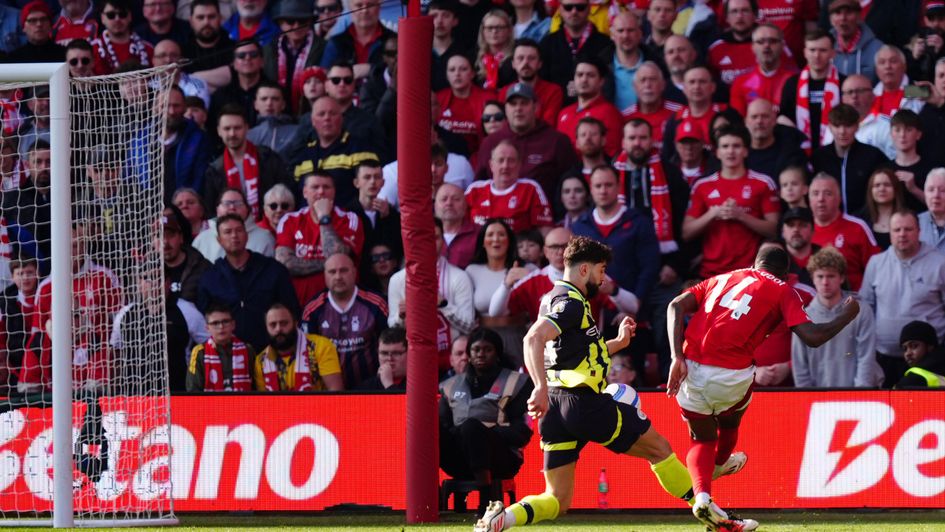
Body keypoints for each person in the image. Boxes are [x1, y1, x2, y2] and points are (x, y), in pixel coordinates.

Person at [475, 236, 698, 532]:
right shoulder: (571, 304)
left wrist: (618, 343)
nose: (603, 279)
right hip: (582, 401)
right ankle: (709, 508)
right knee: (659, 449)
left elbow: (577, 354)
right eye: (601, 270)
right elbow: (533, 338)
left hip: (556, 408)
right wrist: (538, 386)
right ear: (584, 270)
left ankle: (503, 519)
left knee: (557, 499)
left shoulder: (553, 299)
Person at [666, 245, 861, 531]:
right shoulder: (783, 290)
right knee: (730, 420)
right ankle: (720, 463)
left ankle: (703, 497)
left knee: (701, 438)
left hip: (689, 366)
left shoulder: (722, 278)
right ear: (786, 274)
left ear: (755, 264)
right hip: (730, 374)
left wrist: (676, 357)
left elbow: (675, 305)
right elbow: (813, 337)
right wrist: (847, 315)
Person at [440, 327, 533, 506]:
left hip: (502, 459)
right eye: (476, 350)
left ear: (497, 354)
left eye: (487, 349)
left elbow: (522, 433)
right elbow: (444, 426)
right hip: (460, 459)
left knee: (471, 427)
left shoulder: (518, 383)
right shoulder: (449, 386)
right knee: (428, 431)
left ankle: (486, 500)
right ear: (469, 354)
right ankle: (430, 497)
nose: (481, 354)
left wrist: (482, 432)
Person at [859, 210, 945, 387]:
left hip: (928, 362)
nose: (902, 234)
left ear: (919, 231)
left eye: (908, 229)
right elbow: (865, 310)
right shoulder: (876, 263)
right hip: (884, 358)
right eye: (897, 230)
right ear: (889, 233)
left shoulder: (940, 263)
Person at [683, 125, 780, 279]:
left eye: (736, 146)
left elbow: (775, 229)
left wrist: (741, 215)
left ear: (745, 151)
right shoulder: (702, 185)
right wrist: (712, 214)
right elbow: (686, 233)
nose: (730, 151)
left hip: (750, 272)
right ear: (717, 152)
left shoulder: (763, 183)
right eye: (725, 146)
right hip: (711, 273)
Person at [196, 213, 300, 350]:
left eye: (239, 230)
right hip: (228, 354)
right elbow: (204, 317)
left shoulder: (273, 269)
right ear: (219, 240)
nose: (234, 236)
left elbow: (291, 309)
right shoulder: (210, 277)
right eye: (228, 232)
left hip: (271, 351)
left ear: (246, 235)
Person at [572, 165, 659, 314]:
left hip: (634, 312)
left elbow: (649, 268)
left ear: (619, 186)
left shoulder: (639, 223)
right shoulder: (579, 226)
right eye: (598, 186)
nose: (603, 191)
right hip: (591, 313)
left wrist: (637, 303)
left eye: (608, 185)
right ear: (591, 189)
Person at [792, 248, 882, 388]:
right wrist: (806, 396)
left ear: (842, 278)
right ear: (812, 278)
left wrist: (860, 394)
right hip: (816, 397)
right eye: (820, 276)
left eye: (831, 276)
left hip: (856, 395)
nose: (825, 282)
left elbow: (866, 358)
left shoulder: (861, 311)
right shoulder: (802, 317)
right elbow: (800, 366)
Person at [275, 172, 364, 306]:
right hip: (299, 305)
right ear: (305, 192)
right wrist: (329, 265)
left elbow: (336, 256)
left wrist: (324, 217)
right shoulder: (290, 220)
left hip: (341, 305)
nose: (321, 192)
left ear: (334, 192)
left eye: (326, 187)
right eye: (315, 187)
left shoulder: (349, 219)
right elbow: (286, 265)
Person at [302, 253, 388, 389]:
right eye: (332, 272)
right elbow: (306, 354)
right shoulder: (312, 310)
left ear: (354, 272)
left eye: (343, 270)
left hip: (372, 390)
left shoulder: (377, 304)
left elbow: (390, 345)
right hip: (328, 392)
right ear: (324, 275)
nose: (338, 277)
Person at [477, 82, 577, 200]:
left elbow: (571, 184)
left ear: (536, 107)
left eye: (524, 103)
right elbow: (479, 186)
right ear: (506, 109)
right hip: (498, 209)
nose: (518, 109)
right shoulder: (490, 142)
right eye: (513, 104)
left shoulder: (556, 141)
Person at [388, 219, 475, 339]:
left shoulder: (460, 277)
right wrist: (401, 316)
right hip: (413, 349)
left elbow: (469, 326)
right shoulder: (397, 280)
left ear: (443, 241)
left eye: (435, 237)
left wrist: (444, 305)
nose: (429, 243)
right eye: (424, 238)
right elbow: (392, 329)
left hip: (451, 349)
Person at [204, 104, 293, 220]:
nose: (232, 133)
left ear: (247, 128)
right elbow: (211, 211)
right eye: (227, 129)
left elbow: (287, 192)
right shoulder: (214, 170)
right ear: (219, 131)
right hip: (232, 227)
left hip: (269, 224)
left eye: (237, 128)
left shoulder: (268, 158)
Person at [465, 220, 533, 367]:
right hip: (482, 337)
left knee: (518, 379)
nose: (496, 239)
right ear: (483, 242)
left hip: (516, 335)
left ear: (509, 241)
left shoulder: (527, 269)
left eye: (501, 234)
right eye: (490, 235)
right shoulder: (472, 271)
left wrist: (528, 277)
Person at [811, 104, 890, 215]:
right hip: (830, 221)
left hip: (867, 220)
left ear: (857, 126)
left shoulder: (873, 155)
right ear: (830, 127)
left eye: (848, 126)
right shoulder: (818, 157)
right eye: (837, 126)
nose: (842, 131)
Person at [808, 173, 880, 290]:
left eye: (828, 193)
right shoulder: (802, 230)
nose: (821, 199)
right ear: (809, 199)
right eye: (815, 193)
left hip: (855, 298)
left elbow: (877, 269)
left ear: (839, 198)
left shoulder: (857, 227)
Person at [465, 142, 553, 234]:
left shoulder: (531, 189)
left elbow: (545, 230)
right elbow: (459, 224)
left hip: (518, 243)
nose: (505, 166)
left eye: (511, 161)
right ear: (491, 165)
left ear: (519, 165)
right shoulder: (474, 190)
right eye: (500, 160)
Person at [254, 303, 344, 391]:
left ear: (295, 323)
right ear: (266, 328)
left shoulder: (321, 347)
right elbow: (263, 400)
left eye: (284, 323)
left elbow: (335, 392)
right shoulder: (261, 361)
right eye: (273, 325)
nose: (278, 329)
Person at [779, 29, 842, 153]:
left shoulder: (844, 83)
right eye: (812, 50)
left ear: (833, 53)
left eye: (823, 50)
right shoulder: (792, 84)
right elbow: (783, 118)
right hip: (799, 151)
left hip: (836, 151)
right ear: (805, 53)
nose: (817, 55)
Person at [537, 0, 611, 94]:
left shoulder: (606, 44)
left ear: (589, 8)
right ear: (560, 9)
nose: (574, 12)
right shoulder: (547, 44)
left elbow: (609, 84)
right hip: (557, 102)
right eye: (568, 7)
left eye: (580, 8)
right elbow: (542, 85)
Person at [262, 0, 322, 114]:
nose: (296, 26)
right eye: (290, 21)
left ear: (309, 22)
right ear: (281, 24)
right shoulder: (268, 49)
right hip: (276, 115)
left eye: (302, 21)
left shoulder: (323, 47)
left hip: (311, 113)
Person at [556, 59, 624, 156]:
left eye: (590, 75)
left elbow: (612, 154)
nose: (584, 79)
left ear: (601, 81)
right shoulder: (564, 113)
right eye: (580, 75)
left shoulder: (609, 113)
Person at [729, 24, 798, 116]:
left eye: (772, 41)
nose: (767, 46)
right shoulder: (740, 83)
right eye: (760, 42)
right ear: (752, 47)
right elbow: (737, 120)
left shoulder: (795, 81)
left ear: (782, 46)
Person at [186, 304, 256, 391]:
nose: (221, 327)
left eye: (225, 321)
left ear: (233, 324)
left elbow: (255, 387)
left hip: (243, 400)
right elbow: (193, 389)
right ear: (207, 328)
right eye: (215, 323)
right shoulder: (200, 352)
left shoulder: (247, 350)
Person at [193, 187, 276, 261]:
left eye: (238, 203)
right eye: (226, 203)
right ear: (217, 209)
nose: (232, 207)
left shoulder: (264, 238)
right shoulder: (202, 239)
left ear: (247, 209)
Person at [498, 39, 562, 125]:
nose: (526, 63)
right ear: (513, 64)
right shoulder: (504, 92)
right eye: (520, 58)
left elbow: (547, 126)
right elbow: (502, 125)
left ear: (540, 64)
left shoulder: (553, 91)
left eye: (531, 58)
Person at [90, 0, 153, 74]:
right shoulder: (92, 50)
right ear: (102, 18)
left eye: (122, 14)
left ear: (130, 16)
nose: (117, 19)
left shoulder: (148, 49)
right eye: (111, 15)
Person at [828, 0, 883, 83]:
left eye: (849, 12)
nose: (843, 18)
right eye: (838, 13)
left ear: (859, 17)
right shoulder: (823, 48)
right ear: (831, 20)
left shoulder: (878, 49)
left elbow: (891, 83)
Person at [890, 110, 934, 211]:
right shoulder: (885, 169)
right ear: (891, 134)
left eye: (908, 130)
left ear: (918, 134)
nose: (902, 135)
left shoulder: (931, 170)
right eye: (897, 130)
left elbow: (940, 203)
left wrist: (913, 188)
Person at [856, 167, 907, 250]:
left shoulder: (908, 218)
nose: (882, 189)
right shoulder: (859, 220)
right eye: (877, 185)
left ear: (896, 189)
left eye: (887, 185)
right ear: (870, 190)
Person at [181, 0, 235, 72]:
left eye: (211, 17)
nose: (206, 22)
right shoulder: (182, 52)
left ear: (220, 18)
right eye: (200, 17)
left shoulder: (235, 49)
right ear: (191, 21)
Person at [435, 183, 479, 269]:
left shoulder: (480, 234)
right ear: (435, 206)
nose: (449, 203)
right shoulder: (424, 234)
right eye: (444, 199)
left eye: (456, 199)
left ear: (465, 205)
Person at [896, 320, 945, 388]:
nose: (908, 353)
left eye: (914, 346)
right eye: (905, 349)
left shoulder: (914, 379)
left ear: (930, 346)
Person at [919, 167, 945, 252]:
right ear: (925, 193)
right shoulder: (915, 223)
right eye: (931, 190)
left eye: (943, 190)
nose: (936, 195)